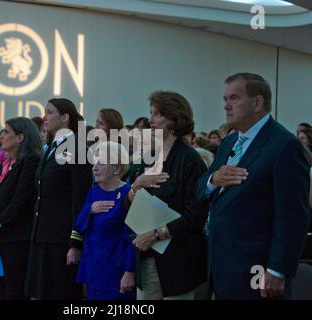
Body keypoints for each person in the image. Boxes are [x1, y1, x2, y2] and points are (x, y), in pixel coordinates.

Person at [195, 72, 310, 300]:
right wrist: (213, 180)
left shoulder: (284, 146)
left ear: (257, 102)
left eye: (234, 98)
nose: (226, 106)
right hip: (221, 265)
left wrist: (278, 270)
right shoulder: (229, 141)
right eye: (225, 99)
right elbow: (200, 189)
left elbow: (293, 215)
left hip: (257, 270)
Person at [129, 90, 209, 300]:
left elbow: (195, 216)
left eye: (157, 114)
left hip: (177, 259)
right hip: (146, 256)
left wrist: (155, 234)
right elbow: (128, 209)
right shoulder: (149, 157)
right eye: (151, 113)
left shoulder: (190, 160)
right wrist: (135, 186)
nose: (150, 120)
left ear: (174, 119)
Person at [26, 98, 92, 300]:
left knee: (60, 293)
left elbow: (80, 197)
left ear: (65, 118)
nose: (45, 117)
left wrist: (76, 242)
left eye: (50, 112)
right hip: (42, 234)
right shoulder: (52, 147)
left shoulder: (76, 148)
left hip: (61, 238)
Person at [0, 117, 41, 300]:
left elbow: (20, 201)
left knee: (14, 292)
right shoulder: (5, 164)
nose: (0, 135)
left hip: (16, 239)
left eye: (6, 131)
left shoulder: (31, 161)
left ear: (20, 138)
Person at [74, 141, 136, 300]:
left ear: (117, 168)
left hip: (116, 269)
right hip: (93, 266)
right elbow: (79, 225)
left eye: (101, 163)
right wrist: (90, 209)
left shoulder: (128, 193)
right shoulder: (94, 192)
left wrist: (130, 271)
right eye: (94, 163)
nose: (94, 168)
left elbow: (134, 236)